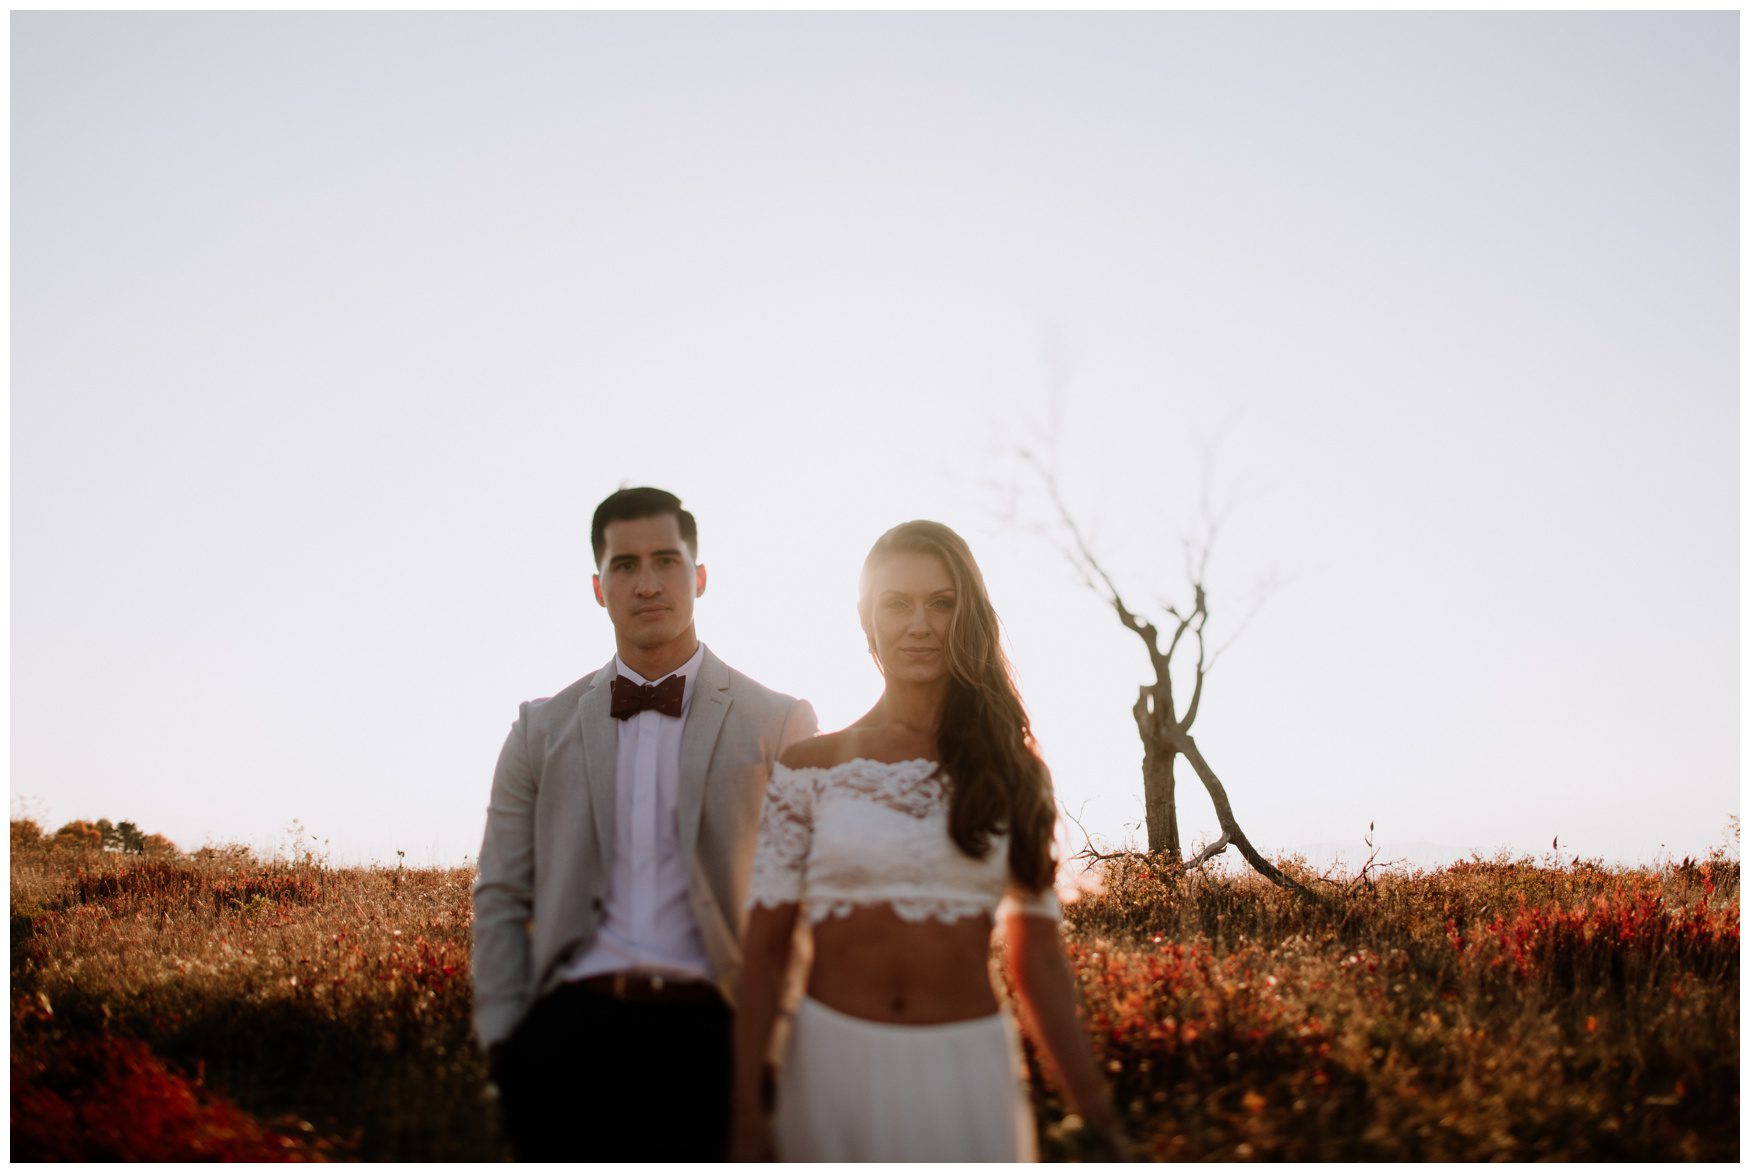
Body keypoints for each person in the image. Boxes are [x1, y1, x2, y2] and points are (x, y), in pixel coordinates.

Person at [730, 520, 1129, 1162]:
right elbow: (766, 951)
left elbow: (1039, 960)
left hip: (967, 1069)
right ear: (868, 621)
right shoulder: (809, 767)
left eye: (941, 603)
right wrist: (747, 1115)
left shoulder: (1013, 769)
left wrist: (1099, 1117)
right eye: (897, 603)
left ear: (967, 615)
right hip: (831, 1064)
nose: (920, 624)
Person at [471, 486, 818, 1162]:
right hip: (569, 1036)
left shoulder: (779, 721)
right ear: (599, 588)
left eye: (666, 559)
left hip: (721, 1030)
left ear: (700, 576)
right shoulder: (539, 730)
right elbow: (501, 893)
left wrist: (777, 1044)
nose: (648, 582)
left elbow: (808, 898)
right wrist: (505, 1040)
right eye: (625, 565)